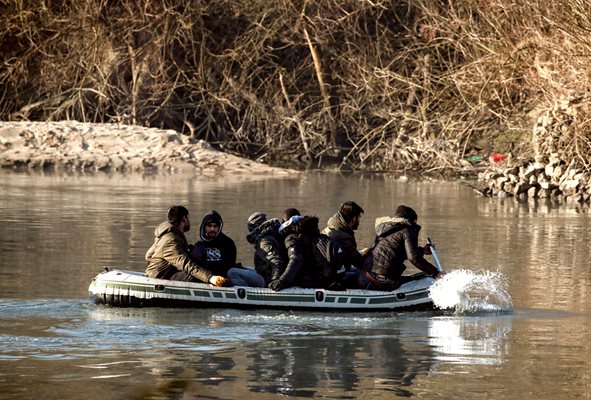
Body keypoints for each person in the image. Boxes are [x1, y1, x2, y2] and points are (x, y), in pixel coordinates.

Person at [359, 205, 445, 291]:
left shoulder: (385, 228)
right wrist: (436, 273)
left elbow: (396, 251)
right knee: (427, 278)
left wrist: (422, 251)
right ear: (413, 220)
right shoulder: (407, 230)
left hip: (365, 276)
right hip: (381, 281)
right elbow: (413, 258)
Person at [145, 205, 228, 286]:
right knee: (193, 276)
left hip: (161, 274)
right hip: (160, 278)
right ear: (184, 219)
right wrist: (210, 278)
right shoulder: (171, 240)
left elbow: (148, 256)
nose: (189, 221)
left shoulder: (166, 235)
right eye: (188, 218)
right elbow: (185, 264)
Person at [269, 215, 345, 291]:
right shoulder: (313, 234)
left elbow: (295, 259)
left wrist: (282, 281)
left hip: (313, 280)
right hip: (329, 277)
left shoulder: (291, 237)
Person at [191, 210, 264, 287]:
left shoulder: (227, 243)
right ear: (204, 227)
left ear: (219, 227)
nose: (212, 229)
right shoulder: (199, 246)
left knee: (232, 272)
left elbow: (229, 265)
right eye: (209, 226)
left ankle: (247, 293)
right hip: (211, 277)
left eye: (215, 226)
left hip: (227, 276)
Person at [322, 201, 368, 288]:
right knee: (367, 275)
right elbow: (358, 262)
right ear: (354, 219)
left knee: (358, 271)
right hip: (332, 276)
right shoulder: (342, 236)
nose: (359, 221)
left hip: (327, 271)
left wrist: (361, 253)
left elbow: (347, 255)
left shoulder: (332, 227)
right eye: (359, 218)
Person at [245, 212, 287, 285]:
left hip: (266, 278)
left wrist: (274, 281)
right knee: (244, 268)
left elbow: (276, 262)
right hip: (265, 272)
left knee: (232, 272)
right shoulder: (274, 234)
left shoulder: (263, 242)